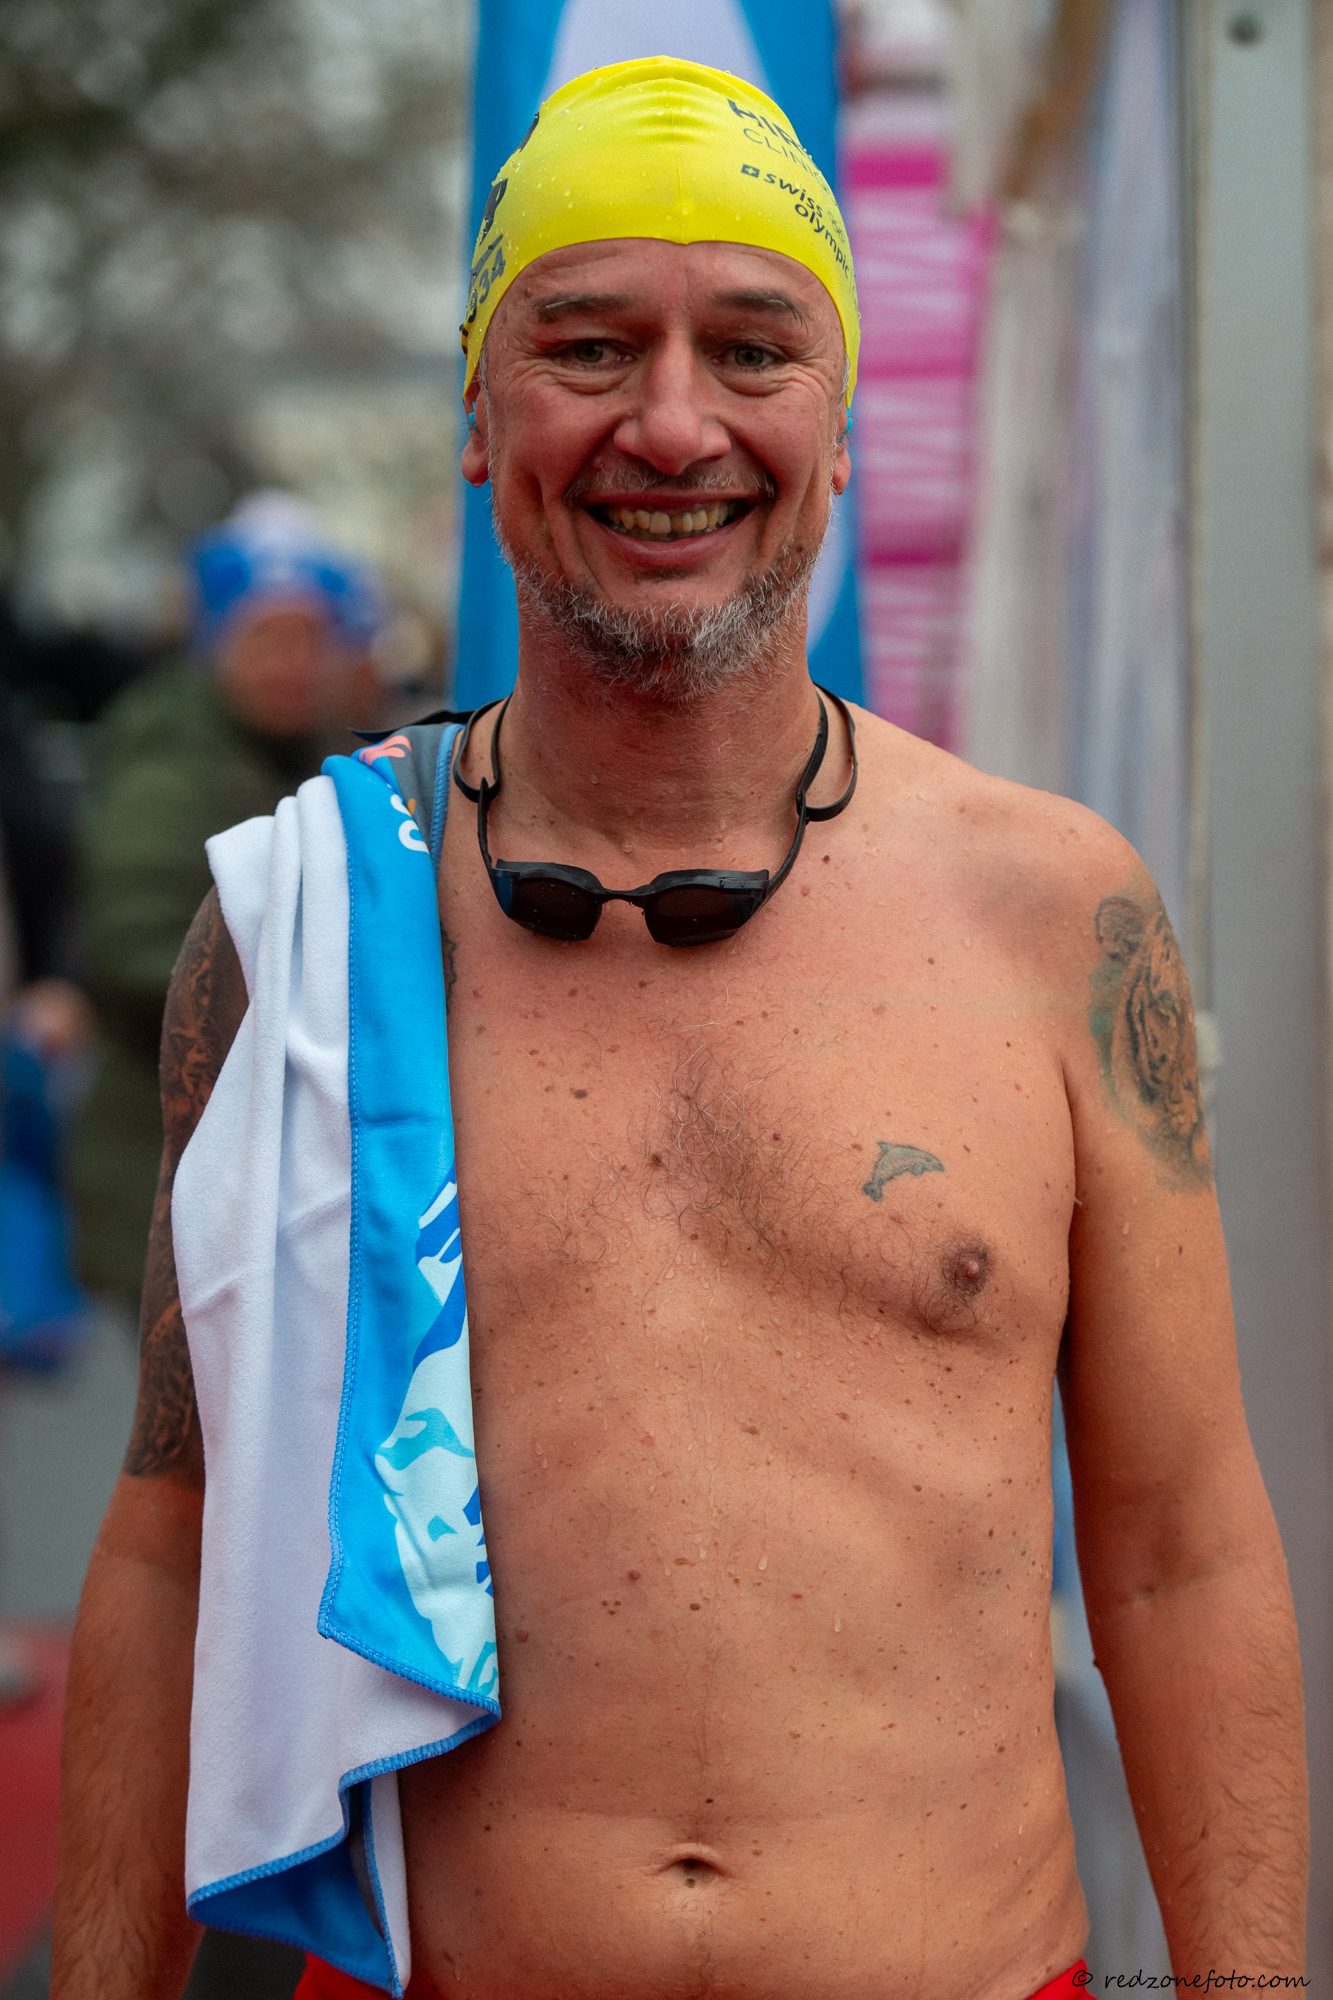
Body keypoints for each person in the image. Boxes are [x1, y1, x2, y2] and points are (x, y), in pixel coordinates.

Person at [52, 58, 1306, 2000]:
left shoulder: (1055, 913)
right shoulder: (311, 919)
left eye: (752, 348)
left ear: (840, 421)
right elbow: (171, 1536)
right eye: (584, 343)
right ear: (476, 415)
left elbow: (1179, 1550)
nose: (669, 421)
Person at [69, 493, 384, 1310]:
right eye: (266, 639)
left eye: (309, 639)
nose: (293, 663)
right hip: (166, 1167)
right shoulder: (165, 771)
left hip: (255, 1169)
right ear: (215, 647)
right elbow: (138, 958)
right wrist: (325, 999)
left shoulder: (320, 754)